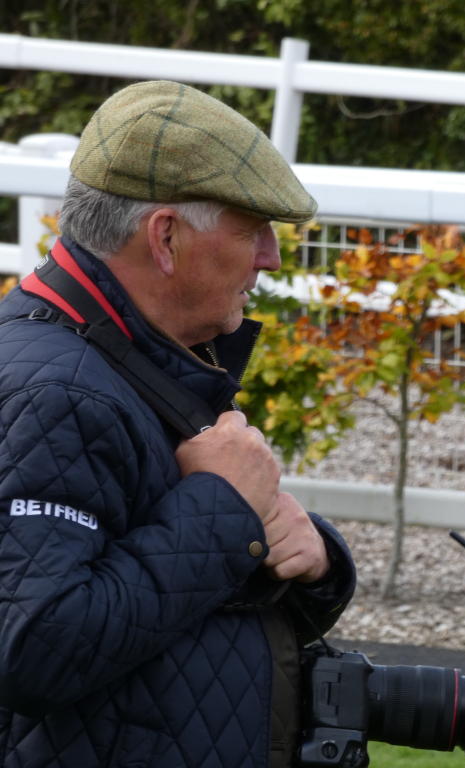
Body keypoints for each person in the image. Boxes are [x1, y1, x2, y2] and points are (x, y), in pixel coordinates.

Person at [0, 81, 356, 768]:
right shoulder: (57, 390)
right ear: (165, 237)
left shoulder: (120, 356)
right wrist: (224, 512)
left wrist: (311, 562)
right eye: (253, 227)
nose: (271, 257)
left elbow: (171, 617)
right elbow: (34, 648)